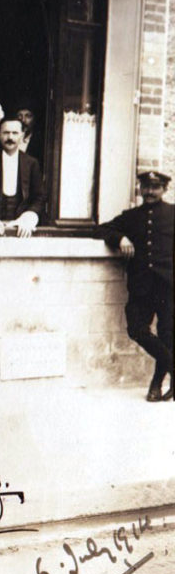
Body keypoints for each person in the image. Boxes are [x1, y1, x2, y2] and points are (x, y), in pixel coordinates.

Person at [98, 170, 174, 401]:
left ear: (164, 189)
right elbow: (101, 228)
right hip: (141, 285)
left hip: (168, 286)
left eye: (155, 187)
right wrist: (120, 238)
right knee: (136, 330)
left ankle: (155, 387)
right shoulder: (131, 217)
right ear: (140, 189)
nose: (150, 192)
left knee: (167, 336)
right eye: (146, 187)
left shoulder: (173, 214)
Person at [0, 116, 46, 237]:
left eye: (15, 133)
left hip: (21, 228)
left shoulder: (31, 163)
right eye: (6, 133)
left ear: (22, 135)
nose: (10, 137)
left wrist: (28, 216)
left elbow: (40, 196)